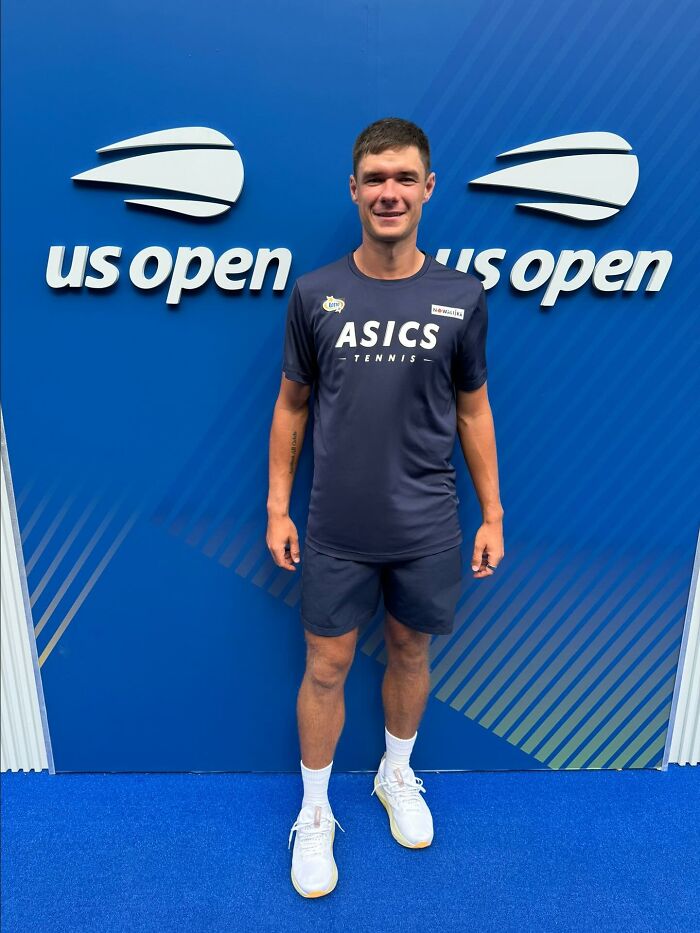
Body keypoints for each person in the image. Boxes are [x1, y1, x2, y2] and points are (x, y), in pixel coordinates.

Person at [266, 117, 504, 898]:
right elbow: (291, 406)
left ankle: (395, 774)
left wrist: (493, 514)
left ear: (428, 188)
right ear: (354, 189)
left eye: (404, 178)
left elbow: (473, 410)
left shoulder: (461, 296)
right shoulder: (315, 293)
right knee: (325, 666)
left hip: (427, 524)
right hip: (336, 525)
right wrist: (277, 507)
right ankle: (313, 811)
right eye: (375, 178)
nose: (389, 192)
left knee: (410, 652)